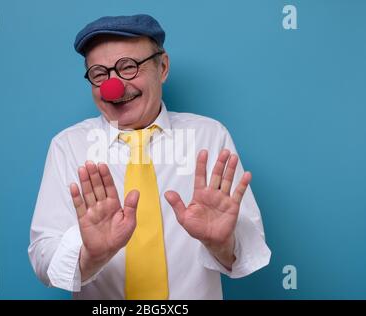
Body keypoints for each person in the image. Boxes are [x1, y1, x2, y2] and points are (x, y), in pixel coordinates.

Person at [28, 14, 271, 300]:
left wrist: (221, 242)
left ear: (163, 67)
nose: (113, 86)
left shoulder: (209, 135)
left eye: (128, 67)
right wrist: (90, 255)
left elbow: (249, 250)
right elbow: (43, 256)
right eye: (99, 74)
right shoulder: (68, 146)